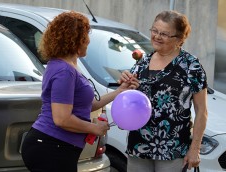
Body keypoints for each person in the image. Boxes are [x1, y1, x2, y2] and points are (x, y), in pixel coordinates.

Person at [21, 11, 138, 172]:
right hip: (51, 147)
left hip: (57, 146)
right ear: (75, 40)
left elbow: (89, 105)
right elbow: (62, 119)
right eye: (86, 37)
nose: (88, 41)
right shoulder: (64, 71)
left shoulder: (68, 66)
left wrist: (119, 91)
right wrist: (94, 128)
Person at [119, 10, 208, 172]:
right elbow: (131, 100)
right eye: (154, 31)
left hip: (172, 149)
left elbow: (201, 111)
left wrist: (195, 149)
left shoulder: (191, 65)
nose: (157, 36)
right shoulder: (142, 62)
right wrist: (125, 83)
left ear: (180, 39)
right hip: (139, 145)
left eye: (165, 34)